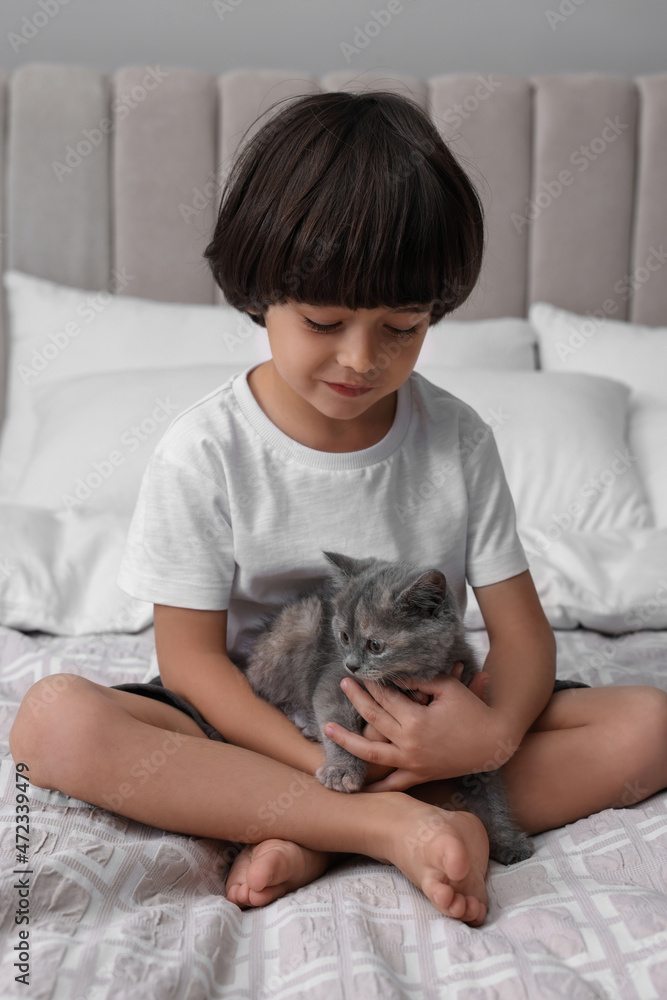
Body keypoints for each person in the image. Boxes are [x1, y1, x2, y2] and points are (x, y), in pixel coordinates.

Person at [10, 91, 667, 930]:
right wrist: (319, 758)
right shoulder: (204, 449)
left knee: (649, 723)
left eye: (402, 327)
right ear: (260, 293)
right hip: (256, 723)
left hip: (427, 719)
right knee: (52, 722)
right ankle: (383, 826)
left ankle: (313, 831)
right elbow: (191, 665)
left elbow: (524, 636)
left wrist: (491, 737)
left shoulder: (458, 439)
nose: (361, 358)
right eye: (324, 321)